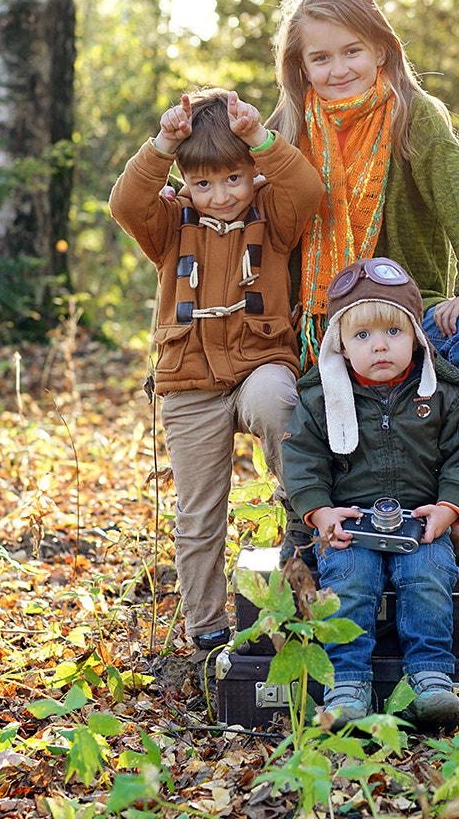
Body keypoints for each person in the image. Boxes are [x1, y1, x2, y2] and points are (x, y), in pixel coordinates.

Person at [267, 0, 459, 558]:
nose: (338, 67)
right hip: (321, 318)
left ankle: (450, 500)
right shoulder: (287, 129)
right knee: (273, 384)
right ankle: (309, 513)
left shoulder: (413, 116)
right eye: (320, 57)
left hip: (410, 314)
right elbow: (239, 204)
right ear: (300, 66)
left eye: (352, 50)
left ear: (381, 49)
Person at [109, 88, 323, 681]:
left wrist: (259, 136)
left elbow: (307, 188)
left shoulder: (272, 218)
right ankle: (205, 630)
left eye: (234, 178)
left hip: (260, 367)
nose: (222, 195)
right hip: (190, 384)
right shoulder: (170, 226)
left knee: (279, 400)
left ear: (253, 174)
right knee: (199, 513)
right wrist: (162, 144)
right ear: (184, 183)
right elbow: (127, 202)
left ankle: (302, 512)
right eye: (204, 184)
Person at [281, 257, 459, 729]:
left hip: (421, 520)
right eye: (362, 337)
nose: (379, 346)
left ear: (416, 337)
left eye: (393, 334)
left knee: (427, 578)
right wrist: (319, 513)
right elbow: (302, 460)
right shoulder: (321, 396)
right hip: (351, 523)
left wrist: (450, 508)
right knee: (351, 583)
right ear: (340, 342)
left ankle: (432, 678)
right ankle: (348, 683)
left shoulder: (443, 390)